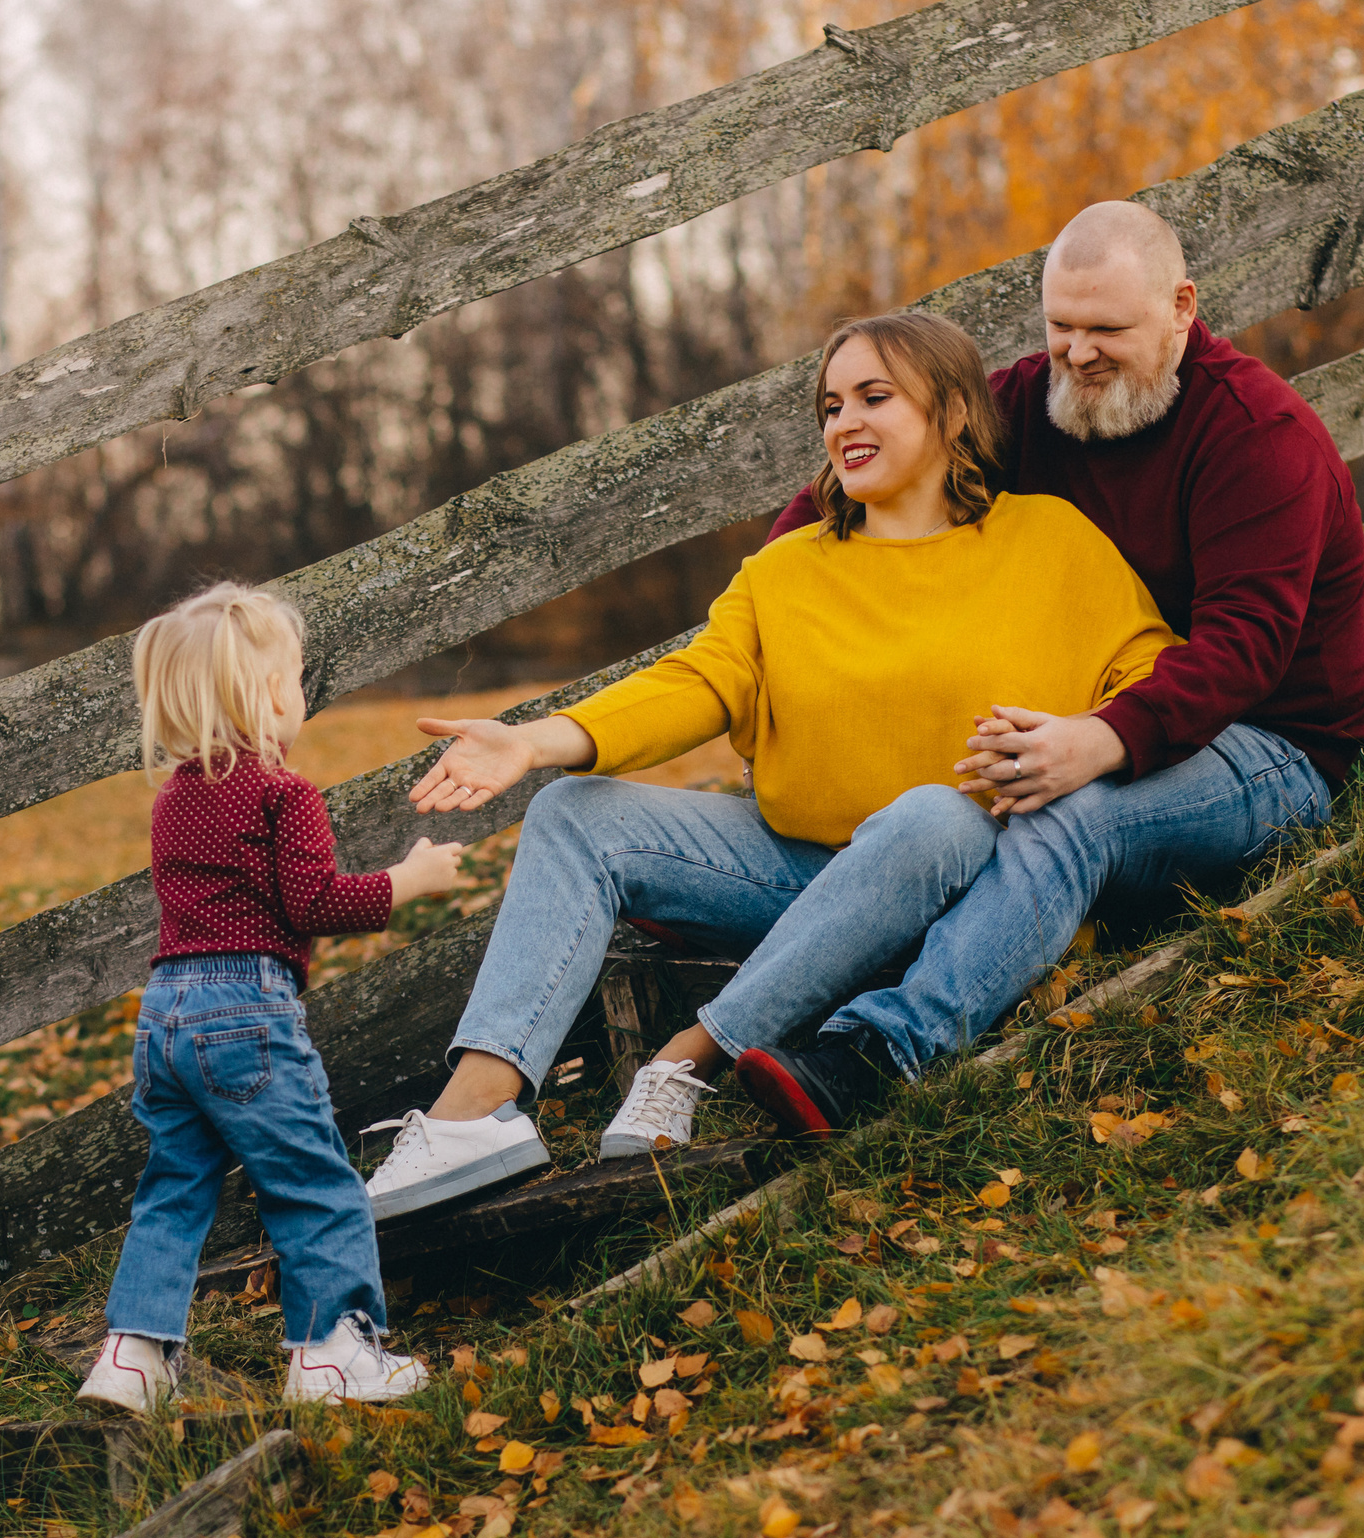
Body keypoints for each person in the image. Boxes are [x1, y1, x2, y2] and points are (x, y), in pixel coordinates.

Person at [360, 310, 1180, 1219]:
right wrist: (535, 739)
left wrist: (1077, 742)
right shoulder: (788, 569)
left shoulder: (1051, 543)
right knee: (575, 815)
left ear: (953, 414)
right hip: (797, 870)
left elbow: (1149, 686)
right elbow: (699, 680)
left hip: (964, 891)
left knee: (936, 814)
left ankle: (690, 1056)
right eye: (831, 406)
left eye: (875, 398)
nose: (844, 424)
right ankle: (476, 1110)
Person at [726, 201, 1364, 1138]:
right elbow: (868, 481)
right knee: (963, 788)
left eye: (1107, 330)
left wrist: (1102, 741)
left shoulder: (1257, 436)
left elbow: (1244, 652)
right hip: (1088, 712)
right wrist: (773, 619)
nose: (1078, 355)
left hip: (1270, 745)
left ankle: (878, 1052)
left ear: (1183, 307)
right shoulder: (1029, 406)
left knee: (1069, 811)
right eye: (1060, 327)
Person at [78, 583, 463, 1412]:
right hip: (245, 1013)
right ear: (261, 696)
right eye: (291, 678)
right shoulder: (284, 793)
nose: (300, 696)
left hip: (166, 1016)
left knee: (174, 1187)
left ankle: (131, 1358)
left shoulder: (173, 800)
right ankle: (331, 1354)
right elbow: (314, 904)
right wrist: (410, 880)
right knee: (312, 1178)